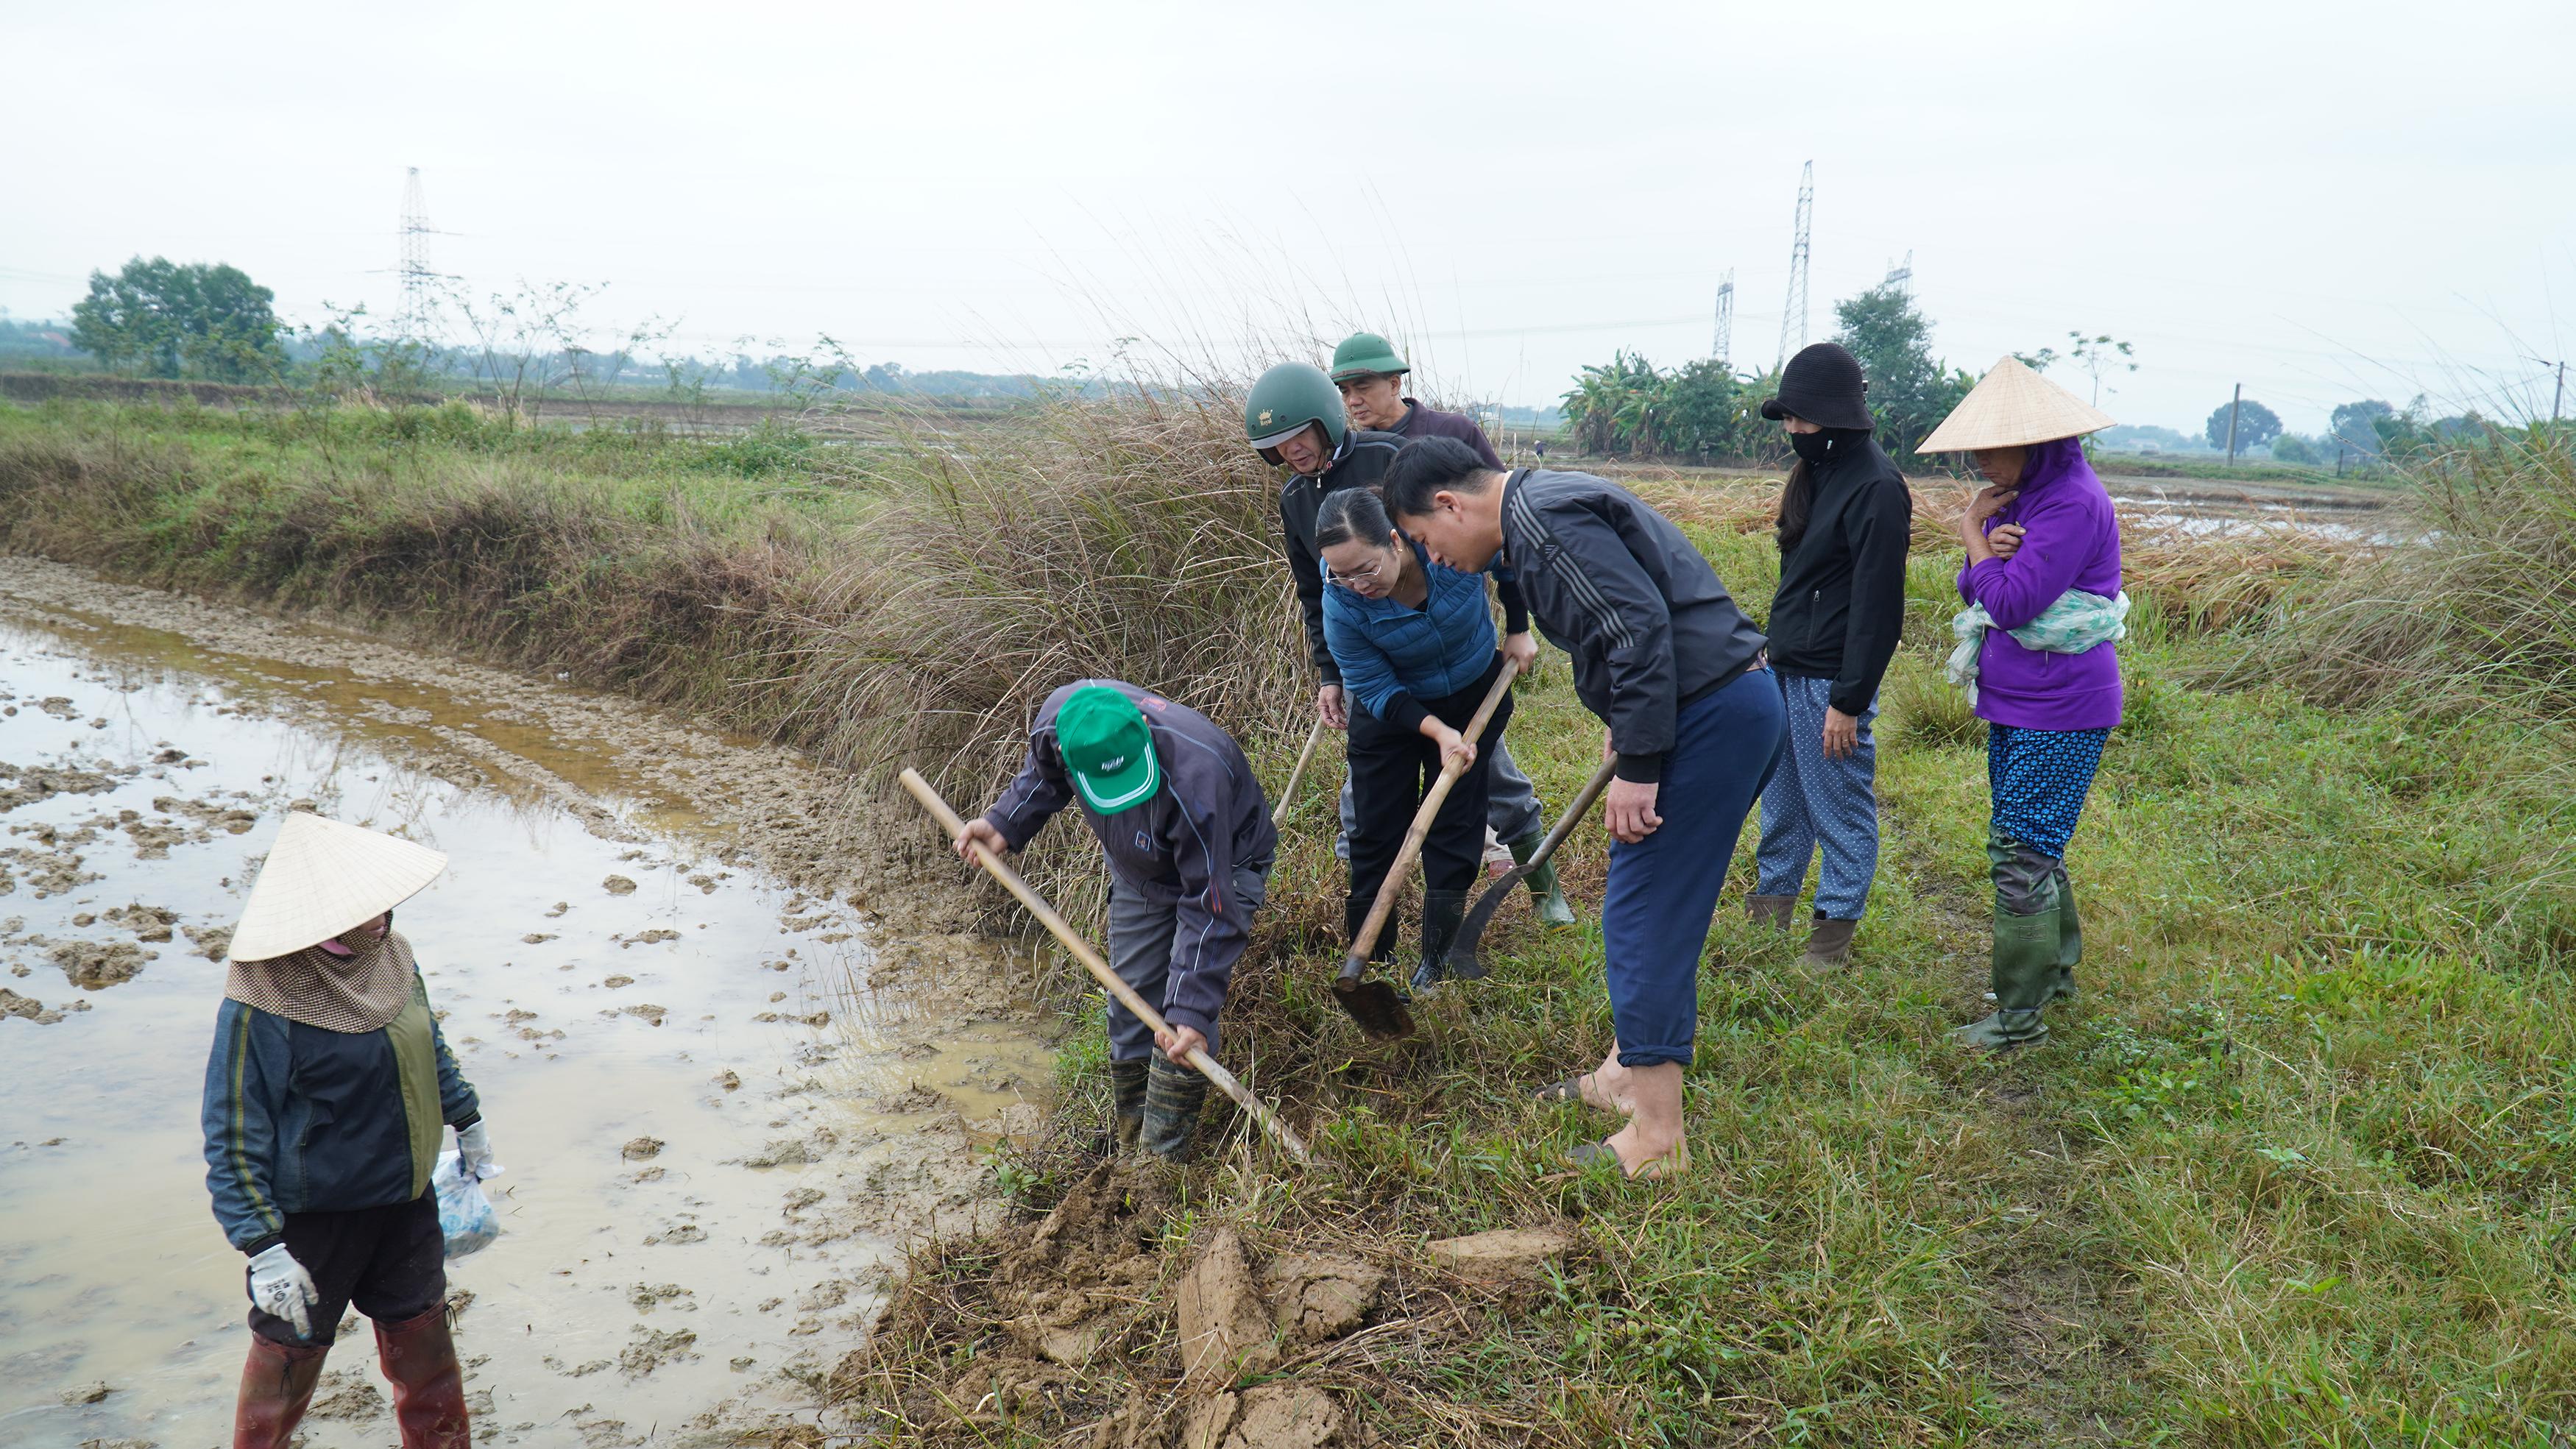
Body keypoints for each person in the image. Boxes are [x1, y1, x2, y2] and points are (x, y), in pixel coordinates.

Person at [1384, 436, 1784, 1178]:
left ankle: (1658, 1139)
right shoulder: (1544, 501)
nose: (1431, 557)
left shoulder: (1539, 522)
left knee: (1641, 913)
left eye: (1422, 539)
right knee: (1664, 901)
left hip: (1712, 712)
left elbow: (1635, 628)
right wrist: (1626, 720)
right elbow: (1626, 622)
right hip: (1724, 701)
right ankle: (1621, 1074)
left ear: (1449, 504)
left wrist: (1640, 762)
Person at [1248, 360, 1574, 928]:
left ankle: (1536, 889)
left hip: (1458, 662)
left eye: (1300, 435)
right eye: (1279, 445)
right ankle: (1372, 938)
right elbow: (1312, 593)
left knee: (1485, 783)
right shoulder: (1297, 501)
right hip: (1380, 669)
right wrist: (1331, 674)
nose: (1293, 451)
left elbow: (1494, 533)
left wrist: (1518, 625)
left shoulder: (1388, 458)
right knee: (1371, 810)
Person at [202, 812, 492, 1448]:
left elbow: (428, 1047)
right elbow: (232, 1131)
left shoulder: (393, 958)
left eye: (383, 905)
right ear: (321, 914)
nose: (381, 918)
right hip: (316, 1224)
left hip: (406, 1206)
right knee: (285, 1371)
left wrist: (466, 1118)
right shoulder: (263, 1000)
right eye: (364, 910)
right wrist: (262, 1245)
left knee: (429, 1361)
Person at [958, 680, 1277, 1158]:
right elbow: (1043, 778)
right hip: (1139, 870)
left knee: (1182, 1020)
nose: (1125, 798)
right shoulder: (1060, 723)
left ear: (1144, 731)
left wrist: (1189, 1010)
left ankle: (1162, 1162)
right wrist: (1005, 822)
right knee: (1129, 1000)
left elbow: (1209, 906)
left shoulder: (1197, 776)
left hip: (1224, 866)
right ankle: (1133, 1145)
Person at [1917, 357, 2125, 1050]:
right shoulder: (2032, 496)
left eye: (1987, 448)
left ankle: (2018, 1017)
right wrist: (1984, 551)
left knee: (2022, 849)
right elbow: (1974, 587)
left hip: (2059, 702)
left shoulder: (2067, 502)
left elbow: (2003, 602)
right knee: (2031, 837)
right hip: (2021, 697)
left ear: (2031, 442)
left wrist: (1974, 534)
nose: (1978, 462)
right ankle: (2054, 974)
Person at [1316, 486, 1521, 993]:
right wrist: (1437, 731)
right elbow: (1375, 686)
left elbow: (1506, 554)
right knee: (1376, 833)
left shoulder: (1444, 548)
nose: (1355, 584)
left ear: (1394, 539)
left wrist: (1518, 627)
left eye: (1364, 569)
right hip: (1393, 712)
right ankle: (1373, 961)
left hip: (1473, 689)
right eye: (1340, 574)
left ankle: (1436, 960)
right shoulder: (1340, 603)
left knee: (1456, 822)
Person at [1747, 343, 1914, 966]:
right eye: (1786, 418)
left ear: (1834, 415)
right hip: (1787, 670)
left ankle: (1830, 937)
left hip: (1829, 683)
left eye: (1799, 418)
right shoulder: (1818, 472)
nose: (1791, 429)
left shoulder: (1876, 486)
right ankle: (1768, 920)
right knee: (1783, 803)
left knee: (1839, 807)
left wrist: (1848, 699)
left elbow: (1878, 608)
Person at [1329, 330, 1506, 469]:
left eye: (1363, 388)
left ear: (1394, 384)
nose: (1352, 401)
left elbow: (1497, 495)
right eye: (1345, 391)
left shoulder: (1455, 431)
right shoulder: (1356, 450)